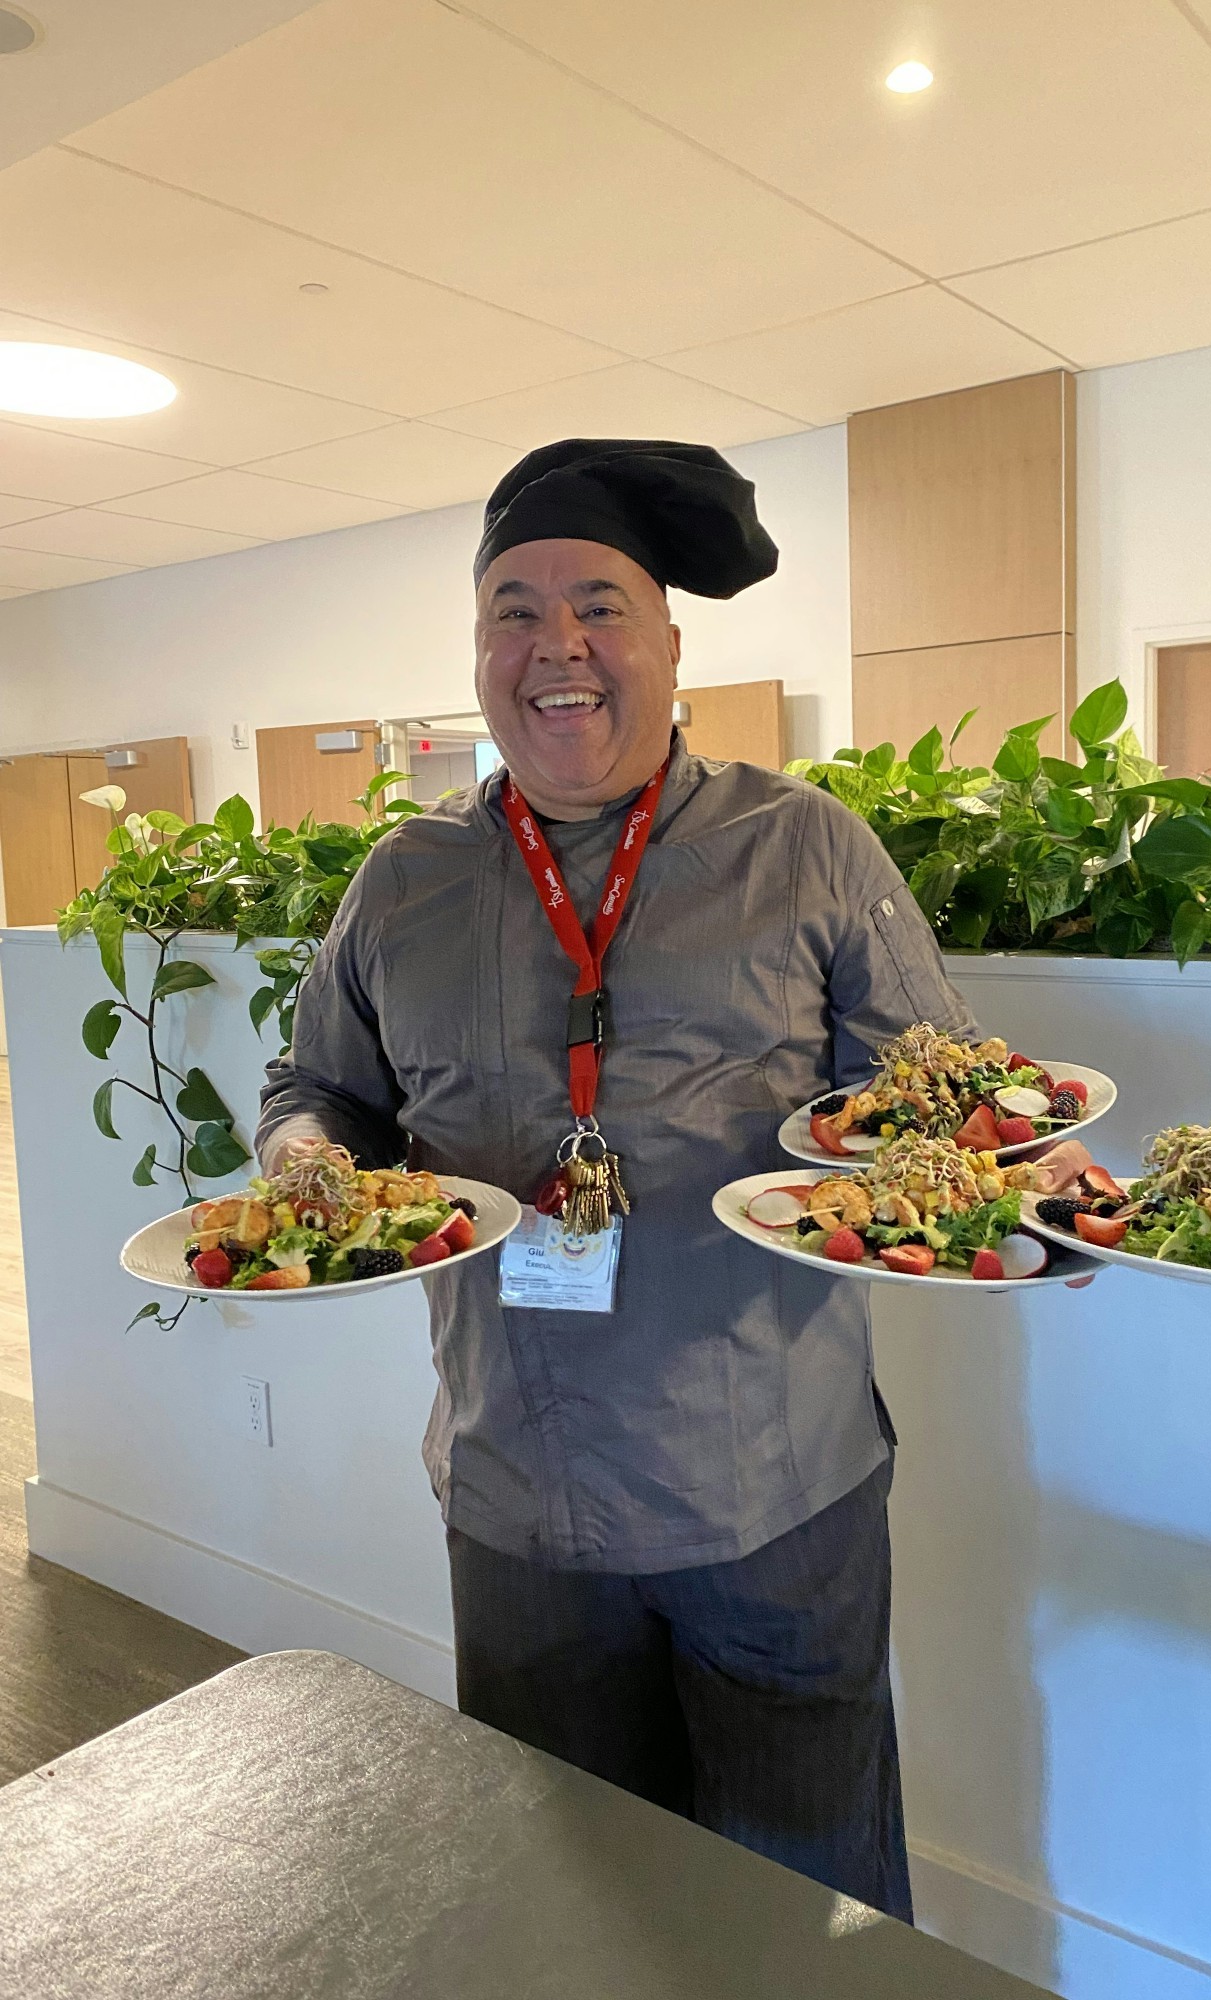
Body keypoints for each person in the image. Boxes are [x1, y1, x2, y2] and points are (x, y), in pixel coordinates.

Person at [257, 437, 979, 1921]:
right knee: (567, 1897)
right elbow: (314, 1088)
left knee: (807, 1907)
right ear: (478, 652)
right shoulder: (403, 880)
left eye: (598, 603)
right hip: (517, 1492)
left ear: (667, 641)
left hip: (773, 1491)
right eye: (514, 611)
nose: (557, 646)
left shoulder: (806, 849)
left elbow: (947, 1099)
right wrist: (308, 1167)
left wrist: (1016, 1195)